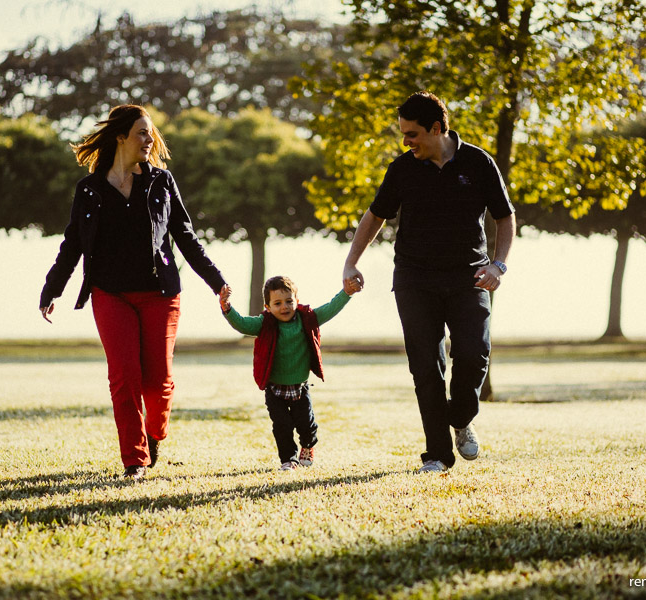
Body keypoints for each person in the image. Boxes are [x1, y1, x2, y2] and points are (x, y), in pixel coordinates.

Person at [39, 104, 227, 481]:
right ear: (121, 136)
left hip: (160, 293)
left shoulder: (161, 181)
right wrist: (52, 288)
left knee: (157, 382)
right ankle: (135, 460)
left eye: (151, 133)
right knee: (124, 377)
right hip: (111, 294)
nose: (150, 139)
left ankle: (154, 434)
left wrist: (216, 279)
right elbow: (72, 242)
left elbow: (185, 237)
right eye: (143, 132)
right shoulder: (89, 189)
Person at [342, 91, 516, 473]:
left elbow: (505, 217)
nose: (406, 142)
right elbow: (375, 217)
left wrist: (498, 266)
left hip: (470, 277)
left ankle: (461, 417)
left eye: (412, 134)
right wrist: (351, 262)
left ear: (436, 129)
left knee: (474, 353)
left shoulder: (479, 162)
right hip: (414, 278)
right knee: (425, 365)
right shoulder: (402, 169)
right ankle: (437, 454)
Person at [218, 275, 360, 471]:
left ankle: (308, 446)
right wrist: (227, 307)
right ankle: (289, 460)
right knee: (281, 427)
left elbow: (330, 308)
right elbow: (241, 324)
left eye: (288, 301)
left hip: (300, 388)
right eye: (277, 303)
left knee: (306, 426)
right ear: (267, 307)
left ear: (297, 301)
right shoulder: (264, 323)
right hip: (275, 389)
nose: (284, 307)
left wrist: (346, 293)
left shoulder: (307, 318)